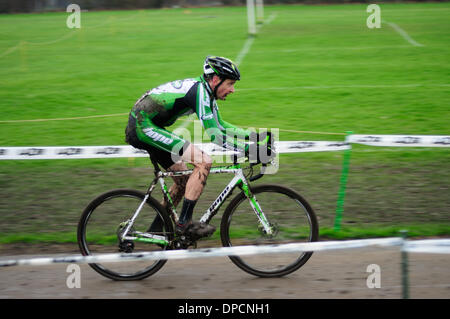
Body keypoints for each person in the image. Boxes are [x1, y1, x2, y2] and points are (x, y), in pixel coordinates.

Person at [125, 56, 273, 239]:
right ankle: (184, 224)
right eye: (231, 83)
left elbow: (221, 125)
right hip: (142, 126)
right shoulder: (200, 92)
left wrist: (254, 138)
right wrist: (250, 150)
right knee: (203, 162)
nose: (233, 90)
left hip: (149, 125)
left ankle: (157, 228)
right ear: (216, 79)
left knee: (185, 180)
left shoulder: (205, 91)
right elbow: (216, 137)